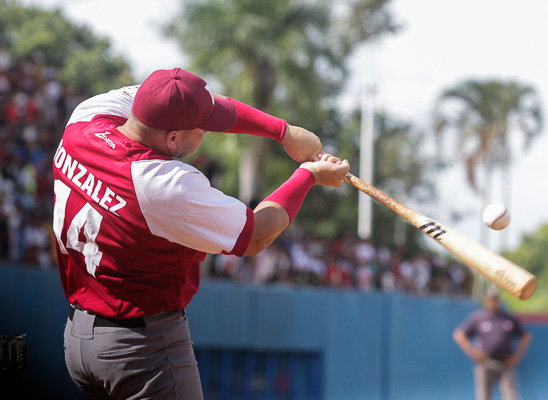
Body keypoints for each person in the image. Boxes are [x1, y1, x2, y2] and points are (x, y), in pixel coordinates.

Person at [52, 67, 350, 399]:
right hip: (141, 350)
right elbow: (257, 235)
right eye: (202, 128)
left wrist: (284, 131)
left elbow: (205, 103)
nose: (207, 132)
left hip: (79, 339)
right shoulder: (161, 184)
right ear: (174, 137)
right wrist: (307, 176)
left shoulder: (86, 118)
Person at [453, 286, 532, 400]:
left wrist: (516, 357)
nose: (493, 302)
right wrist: (472, 352)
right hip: (485, 362)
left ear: (499, 300)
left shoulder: (508, 318)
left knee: (511, 397)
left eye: (495, 299)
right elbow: (459, 335)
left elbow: (526, 336)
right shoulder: (478, 317)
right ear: (486, 300)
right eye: (490, 299)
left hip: (505, 363)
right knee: (484, 397)